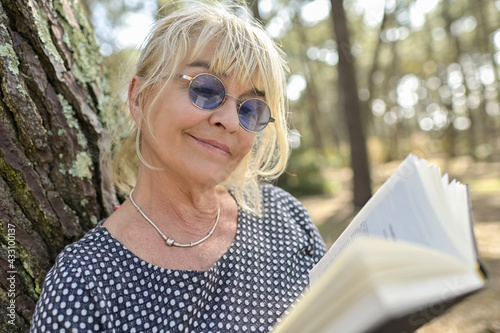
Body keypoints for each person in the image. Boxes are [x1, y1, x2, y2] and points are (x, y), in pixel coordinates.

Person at [30, 1, 327, 332]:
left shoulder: (285, 218)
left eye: (250, 109)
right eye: (205, 88)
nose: (229, 121)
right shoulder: (83, 287)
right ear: (139, 98)